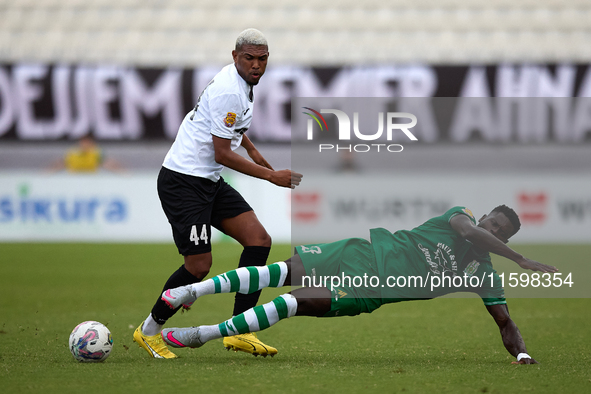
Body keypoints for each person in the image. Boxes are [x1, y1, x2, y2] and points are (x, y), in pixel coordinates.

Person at [158, 205, 557, 363]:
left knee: (295, 301)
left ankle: (200, 334)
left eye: (498, 230)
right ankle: (196, 290)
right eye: (490, 221)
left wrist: (521, 356)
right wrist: (521, 260)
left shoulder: (484, 273)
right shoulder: (459, 218)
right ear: (483, 217)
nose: (488, 228)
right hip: (362, 252)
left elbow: (504, 321)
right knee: (280, 270)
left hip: (370, 289)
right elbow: (469, 231)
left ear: (501, 241)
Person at [133, 28, 302, 359]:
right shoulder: (230, 90)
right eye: (249, 58)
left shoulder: (240, 86)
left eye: (262, 59)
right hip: (183, 181)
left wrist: (252, 150)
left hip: (206, 181)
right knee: (198, 266)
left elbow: (227, 126)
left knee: (259, 240)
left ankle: (241, 330)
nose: (256, 65)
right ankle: (149, 330)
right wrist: (270, 176)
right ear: (235, 57)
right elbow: (222, 153)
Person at [48, 135, 123, 172]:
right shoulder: (72, 153)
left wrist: (122, 173)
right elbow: (60, 164)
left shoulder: (96, 153)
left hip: (90, 182)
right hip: (74, 181)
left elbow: (108, 163)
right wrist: (48, 173)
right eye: (83, 143)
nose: (85, 145)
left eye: (87, 143)